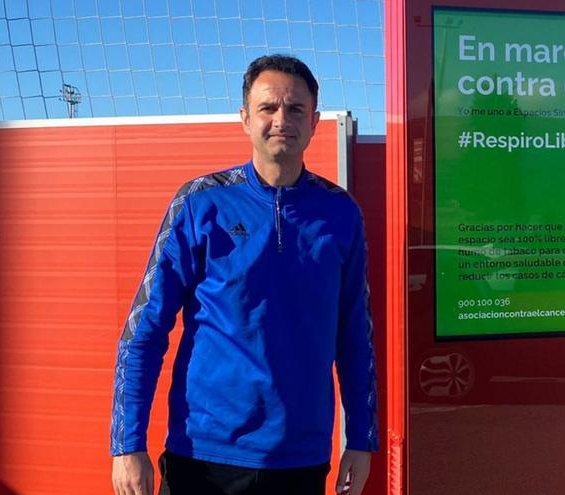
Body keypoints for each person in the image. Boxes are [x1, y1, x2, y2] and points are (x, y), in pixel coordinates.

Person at [110, 54, 378, 495]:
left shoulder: (340, 213)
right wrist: (127, 444)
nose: (281, 120)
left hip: (301, 457)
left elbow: (355, 337)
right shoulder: (200, 205)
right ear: (244, 118)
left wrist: (361, 439)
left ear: (314, 120)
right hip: (204, 456)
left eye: (295, 109)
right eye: (268, 108)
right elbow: (145, 330)